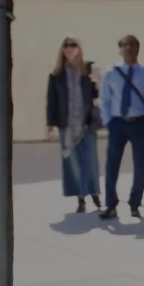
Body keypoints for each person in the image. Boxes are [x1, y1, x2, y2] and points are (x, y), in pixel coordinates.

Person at [99, 34, 144, 220]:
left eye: (132, 44)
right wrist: (108, 121)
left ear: (138, 48)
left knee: (139, 165)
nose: (128, 48)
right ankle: (110, 205)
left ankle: (135, 204)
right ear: (120, 49)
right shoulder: (111, 73)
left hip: (140, 123)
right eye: (124, 45)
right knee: (111, 165)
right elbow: (105, 100)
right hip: (118, 123)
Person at [46, 36, 102, 212]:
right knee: (73, 162)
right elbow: (51, 101)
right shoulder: (56, 76)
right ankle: (80, 197)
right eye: (66, 45)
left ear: (79, 48)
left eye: (73, 45)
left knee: (90, 160)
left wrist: (98, 81)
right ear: (62, 50)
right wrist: (50, 124)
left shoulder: (88, 70)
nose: (69, 48)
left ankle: (94, 193)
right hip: (66, 124)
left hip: (86, 123)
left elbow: (96, 94)